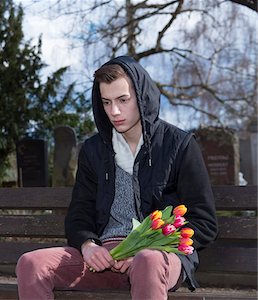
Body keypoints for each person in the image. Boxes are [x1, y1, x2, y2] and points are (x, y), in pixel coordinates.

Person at [16, 56, 218, 300]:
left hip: (158, 257)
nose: (115, 111)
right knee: (31, 263)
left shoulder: (179, 145)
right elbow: (79, 213)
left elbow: (204, 222)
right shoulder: (93, 150)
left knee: (147, 261)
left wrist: (146, 246)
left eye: (123, 100)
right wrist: (88, 245)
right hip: (104, 256)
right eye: (106, 102)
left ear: (141, 97)